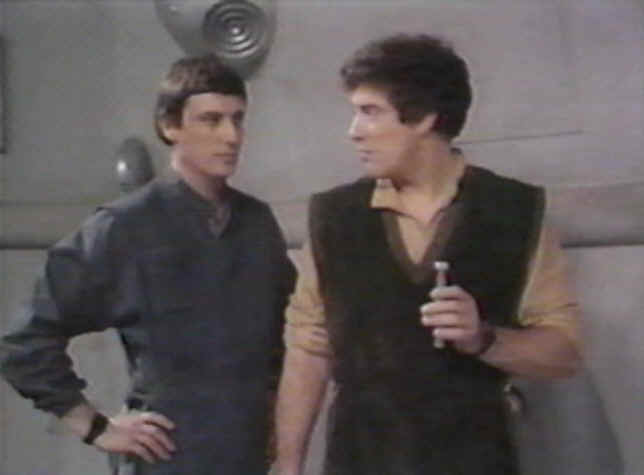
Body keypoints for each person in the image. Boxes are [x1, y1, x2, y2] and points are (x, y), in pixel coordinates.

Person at [274, 34, 581, 475]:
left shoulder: (514, 211)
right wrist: (288, 466)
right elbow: (308, 348)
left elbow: (564, 353)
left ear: (423, 118)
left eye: (370, 112)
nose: (353, 131)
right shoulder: (335, 218)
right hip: (362, 458)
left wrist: (484, 339)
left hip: (475, 459)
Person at [0, 54, 295, 475]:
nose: (231, 136)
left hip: (248, 457)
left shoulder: (256, 224)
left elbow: (291, 337)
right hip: (168, 457)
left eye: (237, 119)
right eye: (211, 120)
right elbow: (24, 341)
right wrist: (95, 427)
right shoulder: (126, 227)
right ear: (170, 126)